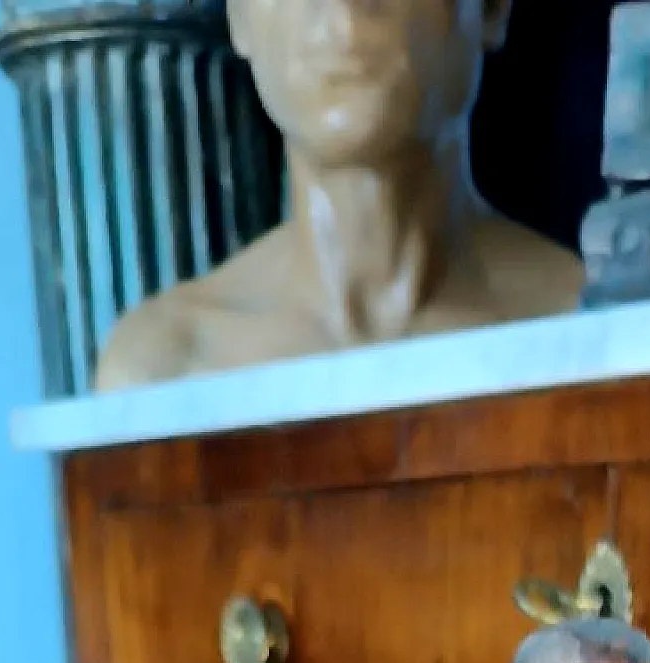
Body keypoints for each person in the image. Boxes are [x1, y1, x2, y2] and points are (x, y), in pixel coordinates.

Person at [96, 0, 582, 389]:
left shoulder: (593, 329)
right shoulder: (167, 368)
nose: (343, 14)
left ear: (493, 8)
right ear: (239, 16)